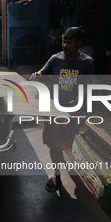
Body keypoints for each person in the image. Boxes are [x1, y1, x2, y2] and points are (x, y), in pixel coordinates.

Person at [29, 27, 94, 193]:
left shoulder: (87, 62)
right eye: (64, 41)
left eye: (70, 42)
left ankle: (62, 160)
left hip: (73, 111)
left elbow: (87, 85)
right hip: (55, 110)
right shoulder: (55, 58)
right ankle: (57, 177)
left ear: (79, 44)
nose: (65, 45)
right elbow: (42, 72)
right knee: (54, 147)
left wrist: (80, 98)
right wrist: (37, 74)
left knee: (67, 142)